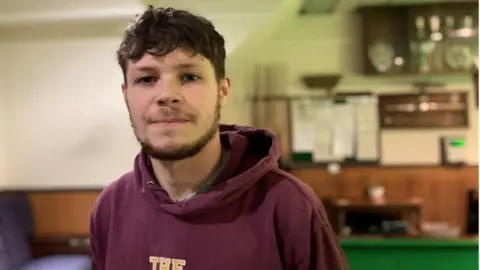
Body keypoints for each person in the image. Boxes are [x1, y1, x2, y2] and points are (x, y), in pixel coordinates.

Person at [89, 5, 349, 270]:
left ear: (223, 90)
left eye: (189, 76)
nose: (167, 94)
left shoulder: (287, 205)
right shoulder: (111, 208)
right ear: (126, 94)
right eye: (146, 79)